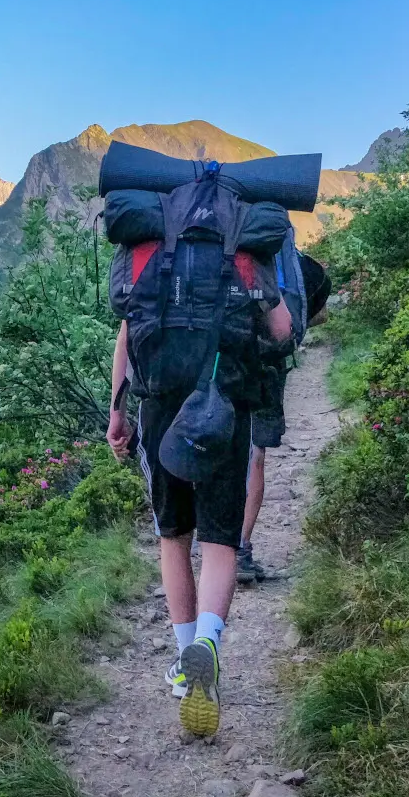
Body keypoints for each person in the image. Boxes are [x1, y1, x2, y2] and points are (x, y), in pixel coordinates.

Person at [107, 248, 293, 737]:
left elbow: (127, 334)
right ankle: (208, 645)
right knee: (220, 541)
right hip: (225, 407)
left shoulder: (147, 251)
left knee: (173, 537)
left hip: (161, 408)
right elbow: (282, 330)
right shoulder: (244, 251)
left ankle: (184, 654)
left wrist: (116, 414)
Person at [239, 252, 331, 582]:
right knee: (254, 453)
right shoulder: (273, 244)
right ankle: (240, 548)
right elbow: (306, 314)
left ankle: (210, 539)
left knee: (212, 440)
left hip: (216, 351)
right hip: (265, 360)